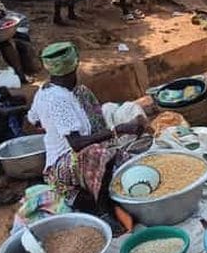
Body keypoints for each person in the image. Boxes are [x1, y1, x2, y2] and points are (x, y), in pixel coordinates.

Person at [27, 42, 145, 208]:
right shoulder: (58, 99)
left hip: (73, 160)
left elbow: (33, 120)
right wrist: (119, 129)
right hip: (61, 167)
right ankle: (104, 209)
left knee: (128, 164)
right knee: (100, 154)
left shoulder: (46, 91)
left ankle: (100, 193)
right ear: (74, 66)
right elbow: (76, 144)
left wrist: (52, 126)